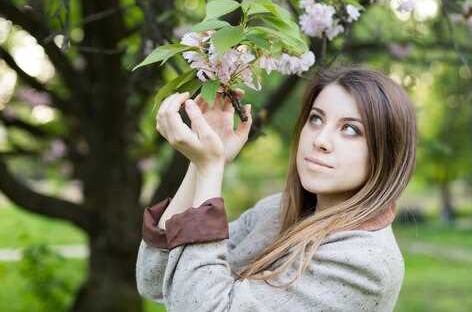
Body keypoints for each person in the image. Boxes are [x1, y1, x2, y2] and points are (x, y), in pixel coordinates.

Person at [136, 64, 418, 311]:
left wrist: (211, 171)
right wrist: (202, 164)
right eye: (316, 119)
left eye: (350, 129)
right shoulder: (275, 211)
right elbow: (156, 279)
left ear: (386, 152)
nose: (320, 139)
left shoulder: (365, 264)